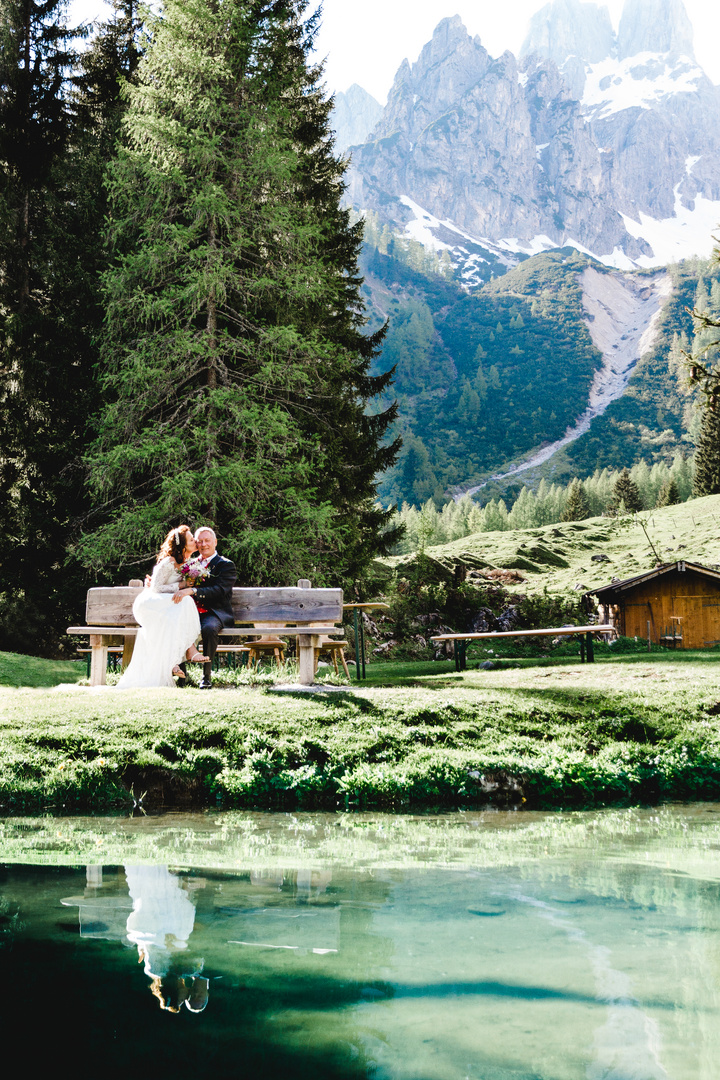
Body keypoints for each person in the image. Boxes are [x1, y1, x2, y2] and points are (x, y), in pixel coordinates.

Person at [117, 526, 208, 689]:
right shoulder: (169, 562)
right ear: (183, 546)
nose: (195, 541)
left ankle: (171, 663)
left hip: (167, 605)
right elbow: (156, 588)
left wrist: (192, 584)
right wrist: (181, 585)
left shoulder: (191, 564)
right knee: (184, 603)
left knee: (177, 613)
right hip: (149, 604)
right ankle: (189, 651)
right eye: (191, 539)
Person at [172, 526, 236, 689]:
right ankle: (182, 677)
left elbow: (221, 590)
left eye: (207, 540)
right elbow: (177, 585)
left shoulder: (225, 565)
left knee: (208, 628)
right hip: (191, 611)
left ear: (215, 542)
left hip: (214, 612)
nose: (203, 544)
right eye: (199, 541)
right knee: (176, 625)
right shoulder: (190, 564)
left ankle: (206, 677)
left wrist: (194, 590)